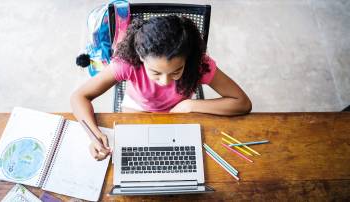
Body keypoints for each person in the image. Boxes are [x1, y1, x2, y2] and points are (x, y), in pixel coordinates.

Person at [71, 15, 252, 160]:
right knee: (136, 159)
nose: (165, 82)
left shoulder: (198, 64)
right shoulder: (126, 63)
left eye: (176, 71)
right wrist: (94, 135)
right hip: (137, 109)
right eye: (155, 72)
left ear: (187, 59)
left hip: (180, 111)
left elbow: (242, 103)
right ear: (140, 58)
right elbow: (79, 97)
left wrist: (191, 105)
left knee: (181, 159)